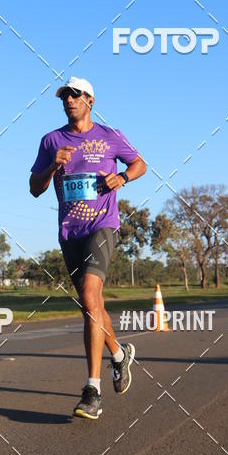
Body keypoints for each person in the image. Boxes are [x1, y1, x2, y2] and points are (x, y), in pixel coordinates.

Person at [29, 76, 147, 420]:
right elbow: (35, 189)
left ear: (90, 100)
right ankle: (120, 354)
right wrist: (53, 165)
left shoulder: (109, 136)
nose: (69, 101)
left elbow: (139, 163)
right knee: (90, 303)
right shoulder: (51, 141)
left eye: (75, 95)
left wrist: (122, 178)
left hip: (102, 225)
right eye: (65, 96)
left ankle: (92, 390)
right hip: (71, 232)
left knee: (91, 294)